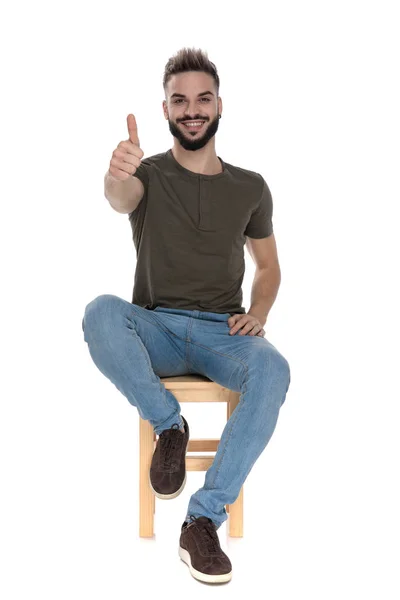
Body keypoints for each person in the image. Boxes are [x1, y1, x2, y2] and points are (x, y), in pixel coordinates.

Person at [82, 46, 291, 584]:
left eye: (202, 98)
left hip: (224, 332)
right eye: (180, 100)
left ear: (220, 104)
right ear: (166, 110)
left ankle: (201, 521)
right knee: (101, 312)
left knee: (273, 367)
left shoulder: (251, 187)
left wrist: (259, 312)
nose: (192, 108)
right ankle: (168, 423)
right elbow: (119, 196)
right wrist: (116, 173)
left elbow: (268, 268)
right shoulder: (147, 173)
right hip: (156, 326)